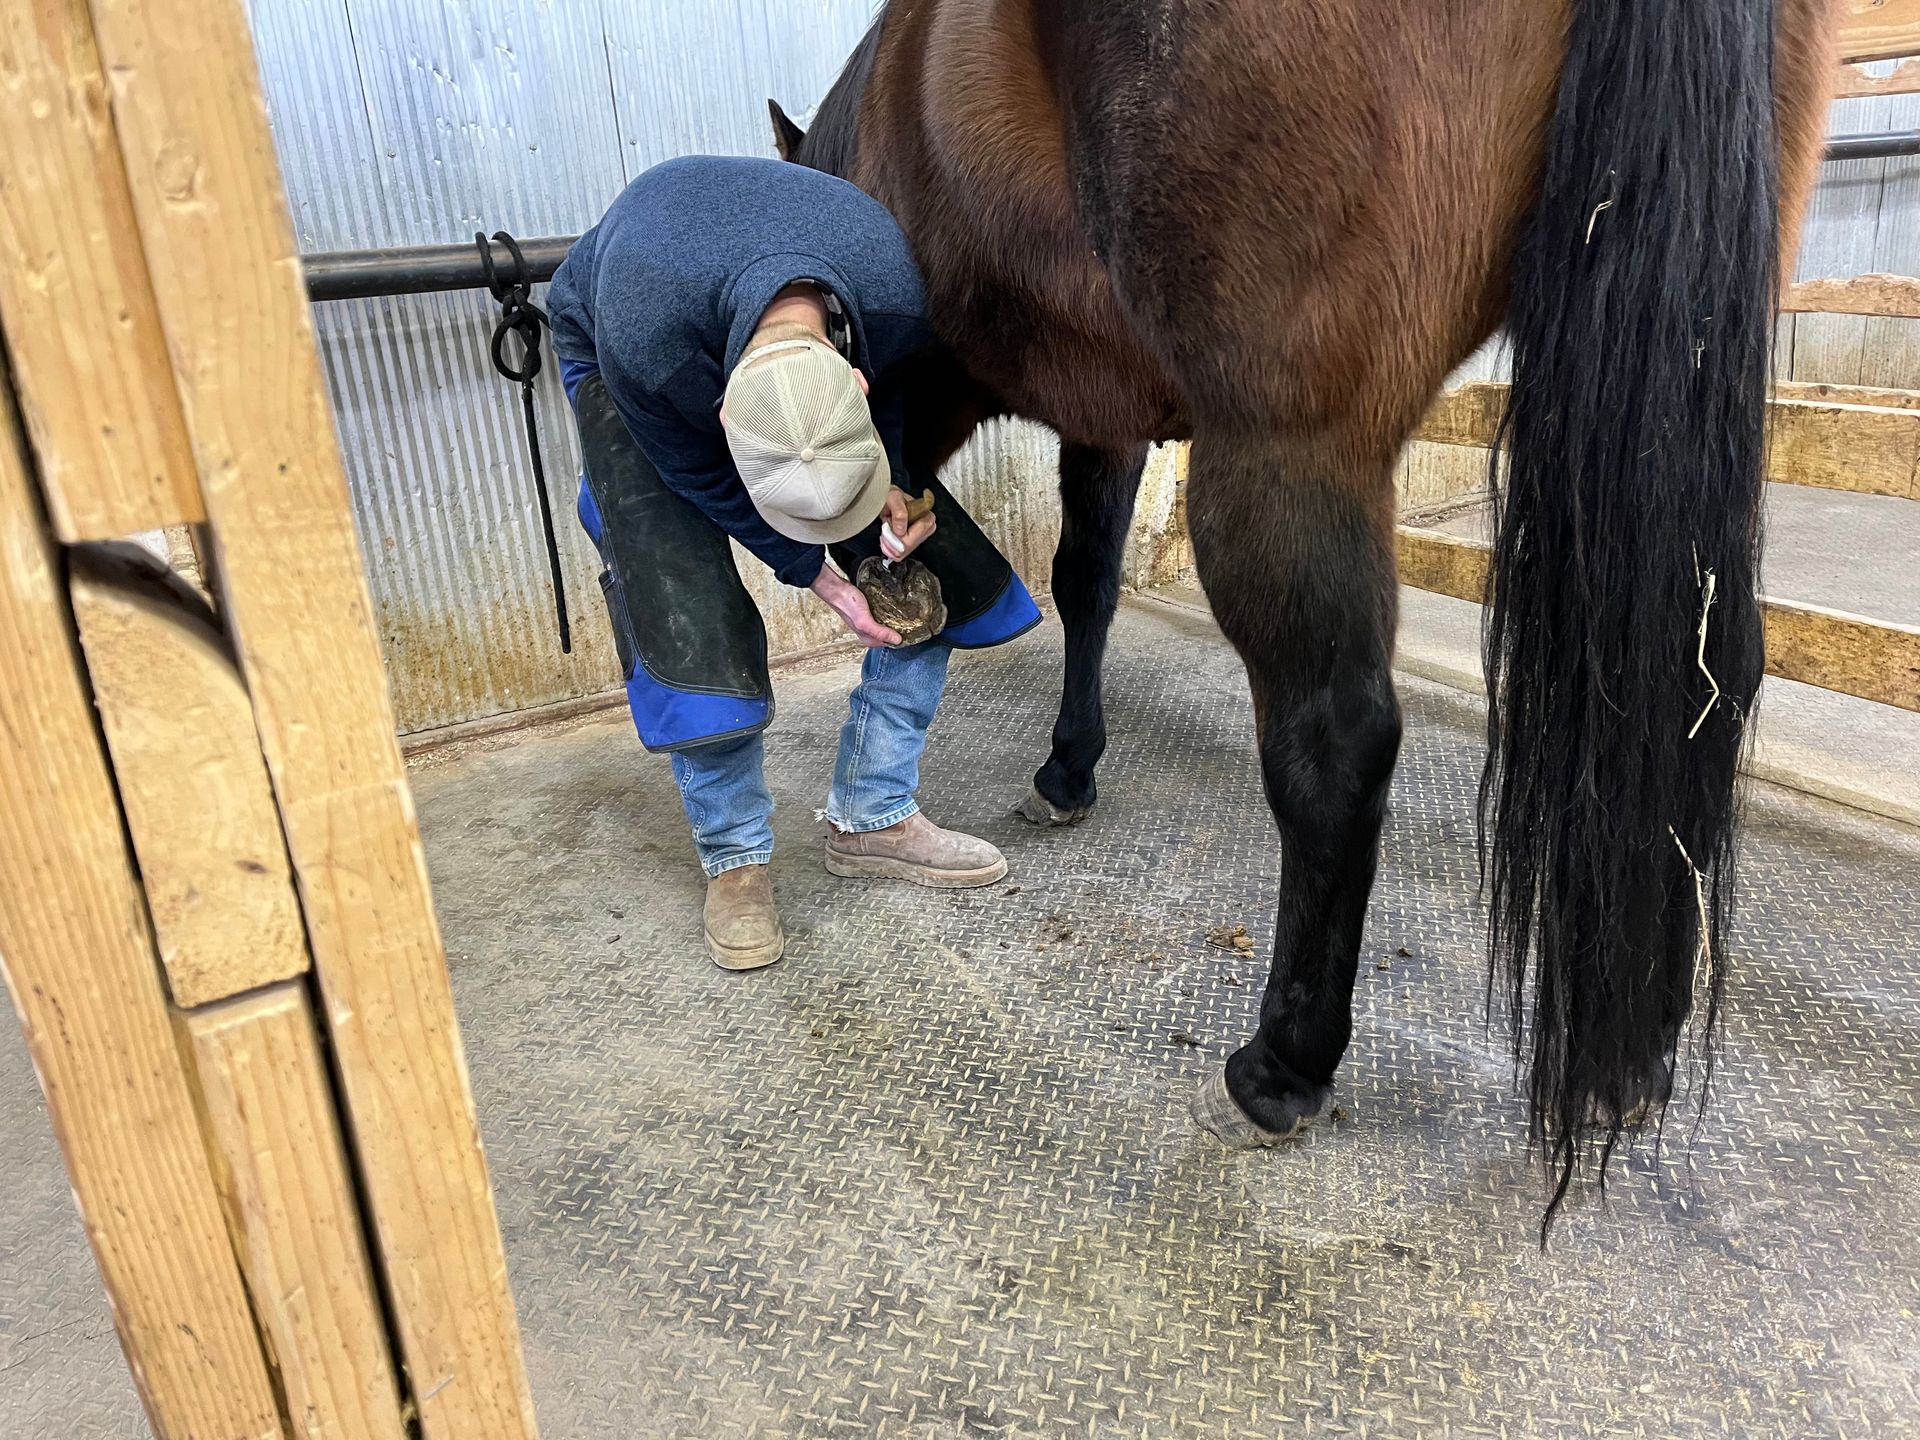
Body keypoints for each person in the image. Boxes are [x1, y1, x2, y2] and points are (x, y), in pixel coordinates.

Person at [548, 155, 1038, 972]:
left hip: (778, 319)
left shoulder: (892, 290)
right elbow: (700, 475)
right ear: (723, 413)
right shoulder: (650, 351)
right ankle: (735, 859)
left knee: (926, 572)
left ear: (850, 374)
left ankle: (874, 817)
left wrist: (895, 485)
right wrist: (814, 574)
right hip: (613, 349)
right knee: (686, 609)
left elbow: (893, 396)